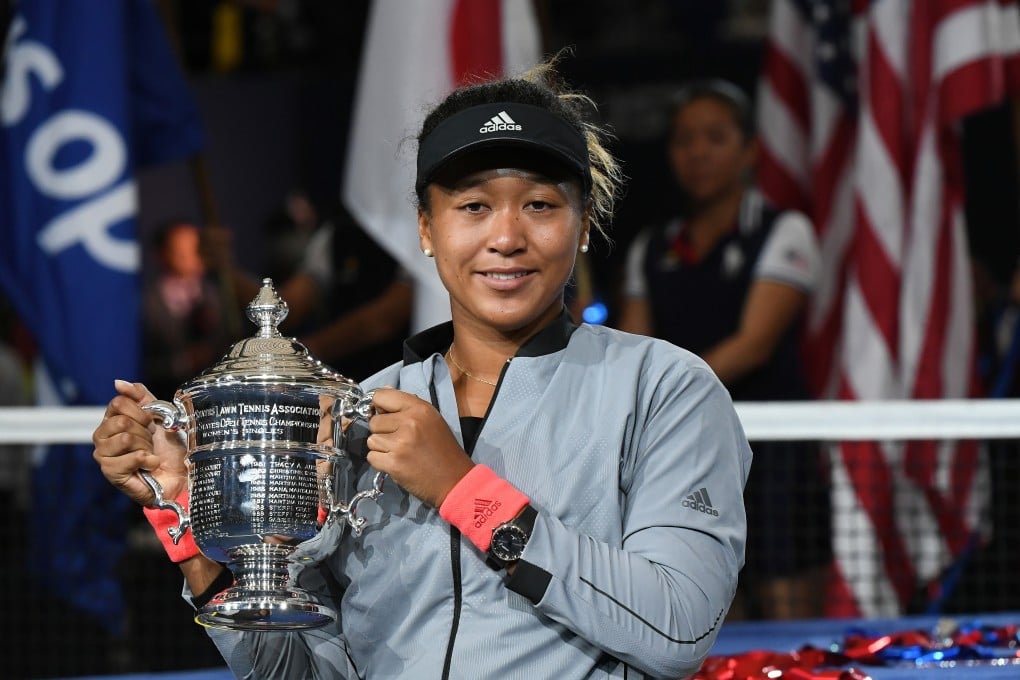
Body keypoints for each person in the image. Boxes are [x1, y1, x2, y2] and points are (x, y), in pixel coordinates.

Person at [93, 59, 751, 679]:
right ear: (426, 229)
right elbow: (295, 670)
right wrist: (186, 514)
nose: (506, 236)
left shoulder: (667, 389)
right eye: (472, 207)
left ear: (583, 226)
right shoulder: (359, 410)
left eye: (541, 205)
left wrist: (465, 491)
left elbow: (679, 629)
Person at [616, 79, 830, 620]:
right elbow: (636, 347)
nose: (697, 153)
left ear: (750, 149)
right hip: (683, 451)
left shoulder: (785, 231)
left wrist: (658, 397)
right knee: (700, 603)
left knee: (788, 605)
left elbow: (754, 345)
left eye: (715, 137)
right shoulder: (652, 247)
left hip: (776, 453)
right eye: (684, 140)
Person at [203, 197, 413, 382]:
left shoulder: (417, 228)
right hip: (345, 387)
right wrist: (226, 270)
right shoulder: (338, 234)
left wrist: (300, 354)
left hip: (404, 382)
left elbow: (385, 318)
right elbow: (288, 307)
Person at [142, 219, 236, 399]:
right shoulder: (147, 303)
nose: (191, 255)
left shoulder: (220, 297)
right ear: (164, 253)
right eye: (181, 250)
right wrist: (181, 364)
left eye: (195, 248)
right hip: (163, 398)